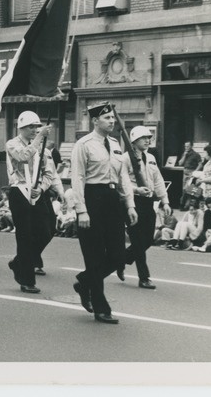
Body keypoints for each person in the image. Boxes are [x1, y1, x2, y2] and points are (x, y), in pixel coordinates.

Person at [70, 102, 137, 325]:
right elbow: (77, 178)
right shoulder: (84, 144)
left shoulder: (116, 144)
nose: (112, 121)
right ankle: (100, 307)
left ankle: (84, 281)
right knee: (95, 256)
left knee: (118, 256)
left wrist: (130, 204)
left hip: (111, 200)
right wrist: (82, 210)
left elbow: (124, 176)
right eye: (107, 118)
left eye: (112, 118)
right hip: (92, 198)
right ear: (95, 121)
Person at [5, 111, 62, 293]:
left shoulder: (43, 149)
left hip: (37, 193)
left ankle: (19, 261)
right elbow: (23, 156)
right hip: (19, 191)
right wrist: (39, 138)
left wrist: (43, 188)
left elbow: (49, 173)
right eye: (30, 127)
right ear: (21, 128)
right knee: (24, 236)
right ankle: (27, 280)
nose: (34, 130)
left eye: (37, 127)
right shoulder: (12, 144)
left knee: (47, 230)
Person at [121, 126, 172, 290]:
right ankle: (144, 278)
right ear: (134, 141)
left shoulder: (150, 157)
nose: (148, 140)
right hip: (132, 202)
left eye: (149, 137)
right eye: (144, 138)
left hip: (148, 202)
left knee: (148, 239)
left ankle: (121, 259)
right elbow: (123, 182)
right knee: (137, 239)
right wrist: (136, 190)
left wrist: (165, 201)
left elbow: (158, 179)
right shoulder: (125, 158)